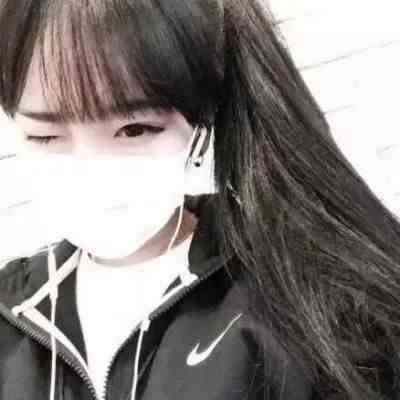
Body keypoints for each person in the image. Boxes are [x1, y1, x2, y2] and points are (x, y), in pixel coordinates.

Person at [0, 1, 400, 400]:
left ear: (202, 123)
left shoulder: (303, 300)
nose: (89, 174)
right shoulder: (10, 312)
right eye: (45, 136)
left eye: (135, 129)